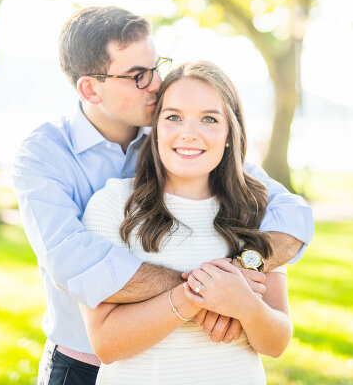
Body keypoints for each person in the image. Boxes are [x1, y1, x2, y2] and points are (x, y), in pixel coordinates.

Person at [12, 7, 314, 385]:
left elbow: (290, 214)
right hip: (81, 363)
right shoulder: (44, 155)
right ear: (90, 88)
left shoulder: (175, 136)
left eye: (156, 66)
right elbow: (74, 262)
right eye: (138, 76)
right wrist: (209, 291)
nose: (156, 83)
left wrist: (242, 273)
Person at [80, 61, 292, 384]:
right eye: (173, 117)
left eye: (209, 119)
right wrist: (196, 295)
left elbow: (276, 342)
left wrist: (246, 306)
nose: (188, 133)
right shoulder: (112, 207)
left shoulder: (257, 209)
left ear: (229, 134)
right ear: (155, 130)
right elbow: (105, 344)